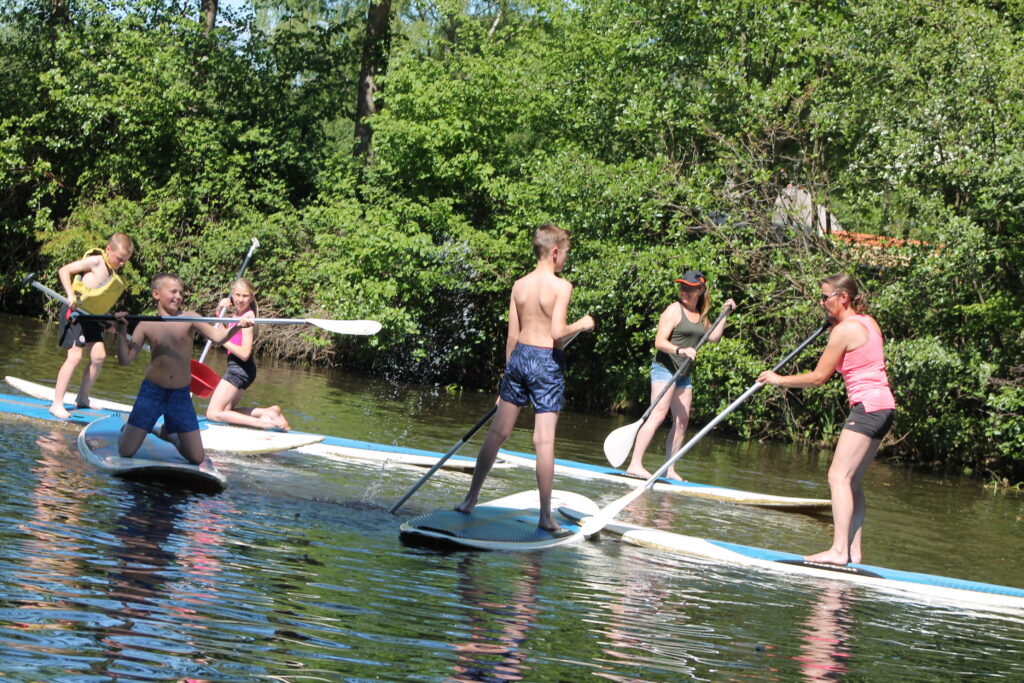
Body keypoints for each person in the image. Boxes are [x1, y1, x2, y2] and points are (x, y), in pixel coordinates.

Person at [455, 223, 595, 532]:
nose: (566, 259)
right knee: (543, 441)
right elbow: (558, 334)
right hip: (546, 362)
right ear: (555, 252)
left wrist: (507, 378)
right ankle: (546, 516)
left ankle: (470, 499)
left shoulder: (519, 285)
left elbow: (512, 337)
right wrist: (582, 324)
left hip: (518, 360)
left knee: (497, 433)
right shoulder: (562, 286)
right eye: (566, 253)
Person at [758, 274, 895, 566]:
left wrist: (778, 379)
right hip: (884, 407)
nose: (822, 303)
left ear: (843, 297)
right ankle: (853, 552)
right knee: (852, 480)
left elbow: (820, 377)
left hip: (868, 408)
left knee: (838, 476)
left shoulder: (844, 331)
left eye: (825, 297)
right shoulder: (868, 322)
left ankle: (838, 552)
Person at [113, 273, 252, 465]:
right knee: (125, 451)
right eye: (173, 292)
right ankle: (131, 429)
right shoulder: (145, 324)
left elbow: (218, 337)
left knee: (196, 458)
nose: (178, 296)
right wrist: (121, 331)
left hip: (180, 396)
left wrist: (237, 327)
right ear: (156, 294)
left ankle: (168, 433)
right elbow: (125, 360)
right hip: (152, 393)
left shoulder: (191, 318)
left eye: (181, 292)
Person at [625, 270, 735, 480]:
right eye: (682, 287)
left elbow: (713, 338)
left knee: (682, 420)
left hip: (683, 374)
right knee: (658, 414)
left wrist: (724, 314)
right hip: (664, 368)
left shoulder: (701, 314)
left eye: (689, 288)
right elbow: (659, 342)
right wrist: (680, 350)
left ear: (700, 290)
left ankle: (669, 468)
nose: (683, 291)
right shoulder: (674, 310)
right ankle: (635, 464)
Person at [49, 233, 135, 418]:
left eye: (125, 261)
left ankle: (83, 398)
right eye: (119, 259)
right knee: (74, 357)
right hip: (76, 312)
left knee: (99, 356)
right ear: (108, 249)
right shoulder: (96, 261)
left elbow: (98, 301)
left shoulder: (113, 274)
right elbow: (64, 270)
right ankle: (57, 404)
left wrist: (107, 322)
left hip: (92, 316)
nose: (121, 264)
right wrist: (70, 295)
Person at [204, 278, 289, 430]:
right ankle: (268, 412)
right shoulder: (237, 314)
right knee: (227, 412)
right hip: (239, 368)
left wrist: (223, 342)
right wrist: (219, 310)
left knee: (213, 413)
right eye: (237, 295)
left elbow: (244, 353)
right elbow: (222, 332)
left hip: (240, 368)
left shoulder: (248, 319)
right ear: (232, 295)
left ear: (251, 297)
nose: (240, 300)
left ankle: (263, 423)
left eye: (245, 296)